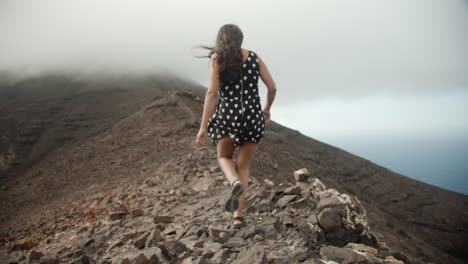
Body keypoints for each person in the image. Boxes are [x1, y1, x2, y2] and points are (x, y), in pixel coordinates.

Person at [194, 24, 277, 229]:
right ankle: (238, 217)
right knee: (244, 166)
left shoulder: (218, 59)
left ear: (220, 39)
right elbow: (272, 87)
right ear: (240, 39)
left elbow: (212, 93)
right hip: (252, 117)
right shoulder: (254, 58)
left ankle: (234, 183)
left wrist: (203, 126)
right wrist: (266, 109)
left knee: (224, 157)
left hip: (228, 117)